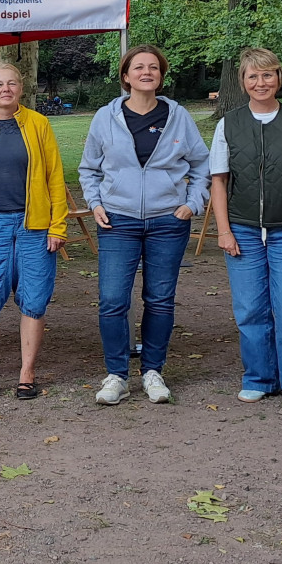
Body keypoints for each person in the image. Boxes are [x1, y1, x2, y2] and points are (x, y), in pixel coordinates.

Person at [78, 45, 210, 406]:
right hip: (118, 220)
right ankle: (117, 375)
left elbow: (201, 164)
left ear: (161, 76)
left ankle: (153, 371)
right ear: (126, 75)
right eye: (139, 67)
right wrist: (95, 203)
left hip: (168, 221)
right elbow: (89, 168)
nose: (146, 72)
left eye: (154, 68)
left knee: (160, 299)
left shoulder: (178, 117)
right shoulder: (106, 118)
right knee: (111, 300)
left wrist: (192, 204)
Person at [210, 48, 282, 414]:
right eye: (252, 76)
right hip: (242, 230)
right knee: (249, 309)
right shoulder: (229, 123)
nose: (260, 82)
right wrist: (224, 230)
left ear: (278, 77)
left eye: (267, 75)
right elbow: (219, 180)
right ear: (242, 82)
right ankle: (259, 378)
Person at [0, 62, 68, 401]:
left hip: (33, 224)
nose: (5, 89)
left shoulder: (38, 124)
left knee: (34, 298)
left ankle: (26, 373)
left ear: (21, 89)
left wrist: (58, 225)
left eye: (12, 84)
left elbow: (54, 177)